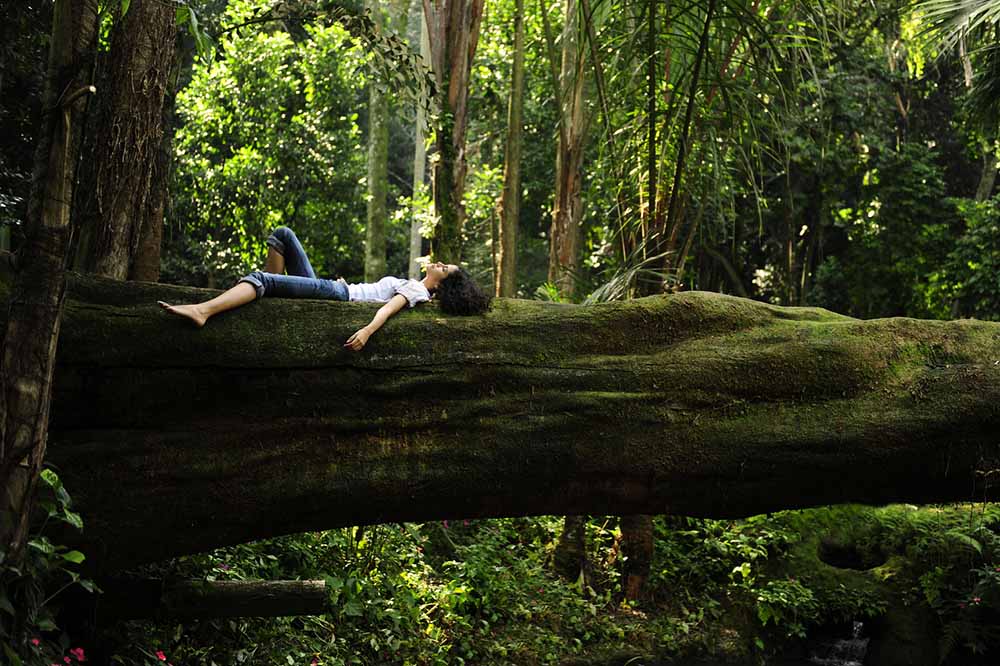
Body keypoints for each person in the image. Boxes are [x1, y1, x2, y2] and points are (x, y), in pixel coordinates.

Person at [159, 226, 491, 351]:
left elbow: (388, 308)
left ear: (443, 283)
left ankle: (204, 311)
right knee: (284, 236)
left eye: (444, 268)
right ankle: (268, 301)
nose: (439, 263)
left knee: (262, 278)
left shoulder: (419, 292)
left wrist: (366, 331)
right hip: (340, 290)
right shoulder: (417, 284)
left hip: (337, 297)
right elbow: (376, 293)